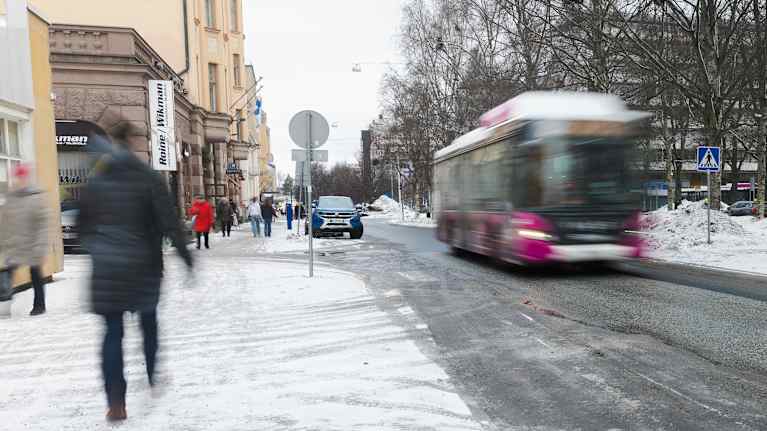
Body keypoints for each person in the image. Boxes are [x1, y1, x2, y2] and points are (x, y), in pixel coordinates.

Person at [78, 124, 194, 422]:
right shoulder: (149, 178)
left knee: (112, 333)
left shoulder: (97, 180)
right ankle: (152, 373)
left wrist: (100, 249)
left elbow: (82, 227)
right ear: (131, 142)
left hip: (107, 270)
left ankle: (116, 402)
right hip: (143, 267)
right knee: (148, 322)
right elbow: (169, 221)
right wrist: (186, 258)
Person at [0, 164, 50, 316]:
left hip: (32, 244)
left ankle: (39, 306)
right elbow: (4, 223)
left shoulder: (36, 197)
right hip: (14, 244)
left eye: (22, 178)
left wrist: (40, 247)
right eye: (17, 178)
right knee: (6, 275)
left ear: (27, 179)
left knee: (35, 275)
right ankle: (4, 305)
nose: (19, 181)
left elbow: (43, 225)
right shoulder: (10, 198)